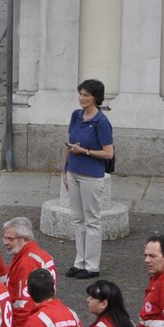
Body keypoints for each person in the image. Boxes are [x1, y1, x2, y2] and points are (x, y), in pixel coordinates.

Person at [65, 78, 115, 280]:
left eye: (86, 95)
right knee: (78, 219)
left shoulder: (102, 122)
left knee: (92, 220)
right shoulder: (76, 115)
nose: (81, 98)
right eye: (80, 94)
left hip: (91, 176)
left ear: (96, 98)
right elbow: (69, 144)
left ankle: (92, 266)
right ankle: (80, 262)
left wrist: (84, 151)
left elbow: (108, 153)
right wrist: (65, 170)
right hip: (73, 172)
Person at [2, 216, 57, 327]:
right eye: (5, 237)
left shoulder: (26, 264)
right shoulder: (41, 255)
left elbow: (24, 306)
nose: (5, 242)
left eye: (10, 239)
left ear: (25, 239)